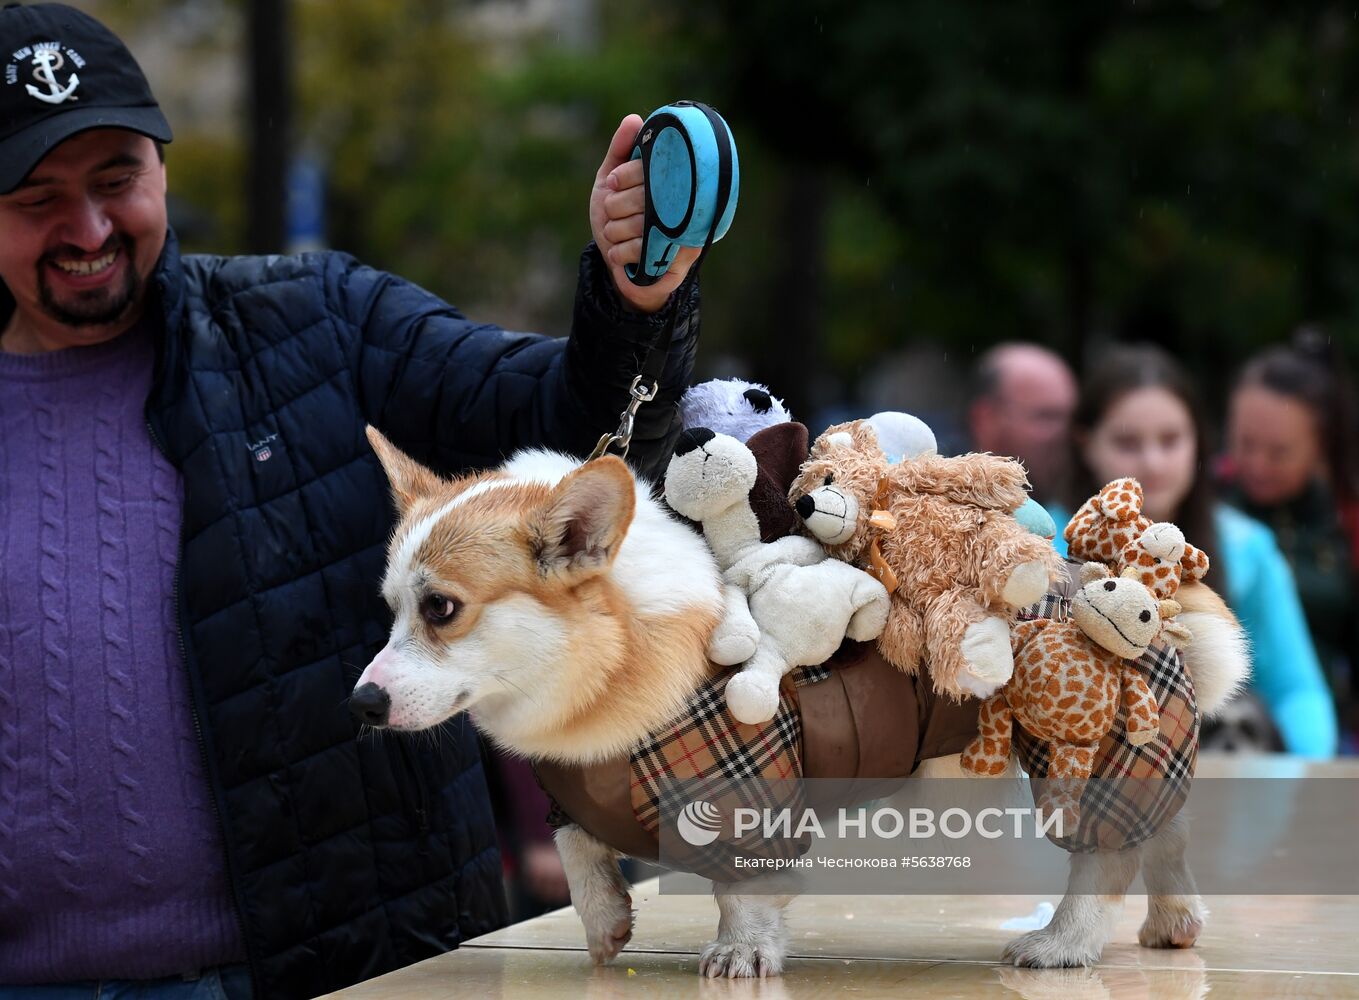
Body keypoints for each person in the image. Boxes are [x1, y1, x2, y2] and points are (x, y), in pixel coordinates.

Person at [0, 4, 706, 998]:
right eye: (37, 197)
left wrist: (634, 303)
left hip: (350, 969)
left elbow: (574, 425)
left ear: (162, 168)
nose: (89, 228)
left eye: (118, 180)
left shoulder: (322, 322)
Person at [1045, 343, 1337, 758]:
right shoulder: (1040, 544)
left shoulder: (1246, 550)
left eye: (1171, 440)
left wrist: (1305, 782)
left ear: (1198, 440)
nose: (1154, 462)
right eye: (1128, 442)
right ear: (1085, 442)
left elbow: (1296, 691)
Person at [1222, 330, 1359, 750]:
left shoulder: (1346, 522)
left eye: (1279, 452)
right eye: (1245, 444)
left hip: (1328, 728)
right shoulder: (1206, 510)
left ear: (1319, 446)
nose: (1257, 464)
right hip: (1228, 725)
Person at [966, 342, 1078, 503]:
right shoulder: (936, 510)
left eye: (1072, 417)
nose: (1068, 432)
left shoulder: (1088, 510)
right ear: (986, 419)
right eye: (1047, 416)